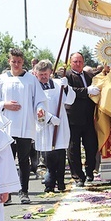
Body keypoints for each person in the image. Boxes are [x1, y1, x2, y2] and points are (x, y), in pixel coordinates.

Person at [0, 48, 47, 203]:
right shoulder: (1, 79)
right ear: (9, 61)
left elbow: (40, 99)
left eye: (19, 62)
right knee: (6, 161)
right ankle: (6, 194)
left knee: (23, 161)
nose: (16, 64)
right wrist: (5, 104)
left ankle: (24, 192)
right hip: (6, 126)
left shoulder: (30, 79)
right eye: (13, 61)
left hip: (25, 125)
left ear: (23, 62)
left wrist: (40, 108)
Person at [33, 60, 75, 192]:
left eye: (46, 74)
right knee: (49, 157)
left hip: (60, 125)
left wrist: (67, 87)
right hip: (45, 126)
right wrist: (49, 118)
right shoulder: (35, 87)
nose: (44, 77)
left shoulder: (57, 84)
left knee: (60, 154)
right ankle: (49, 184)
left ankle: (61, 182)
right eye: (41, 74)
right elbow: (35, 107)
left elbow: (69, 100)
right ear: (36, 74)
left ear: (50, 72)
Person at [65, 52, 100, 187]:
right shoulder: (66, 76)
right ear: (70, 62)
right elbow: (69, 91)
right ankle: (78, 176)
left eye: (80, 61)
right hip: (73, 117)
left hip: (88, 117)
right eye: (75, 62)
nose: (78, 64)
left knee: (92, 146)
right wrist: (86, 91)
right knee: (74, 148)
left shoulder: (89, 75)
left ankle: (90, 170)